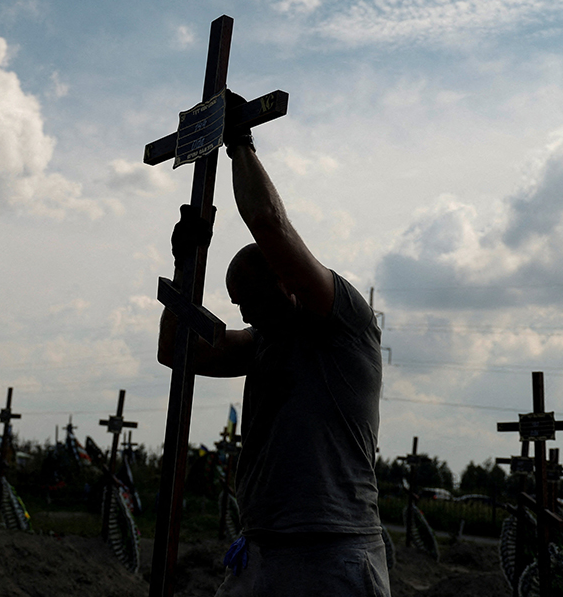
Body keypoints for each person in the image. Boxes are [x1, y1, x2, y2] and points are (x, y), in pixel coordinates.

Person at [157, 91, 389, 596]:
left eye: (251, 298)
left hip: (333, 553)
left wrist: (239, 141)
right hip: (260, 552)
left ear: (286, 282)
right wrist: (186, 265)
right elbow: (177, 352)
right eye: (236, 301)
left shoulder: (344, 323)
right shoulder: (262, 343)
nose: (241, 313)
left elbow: (270, 225)